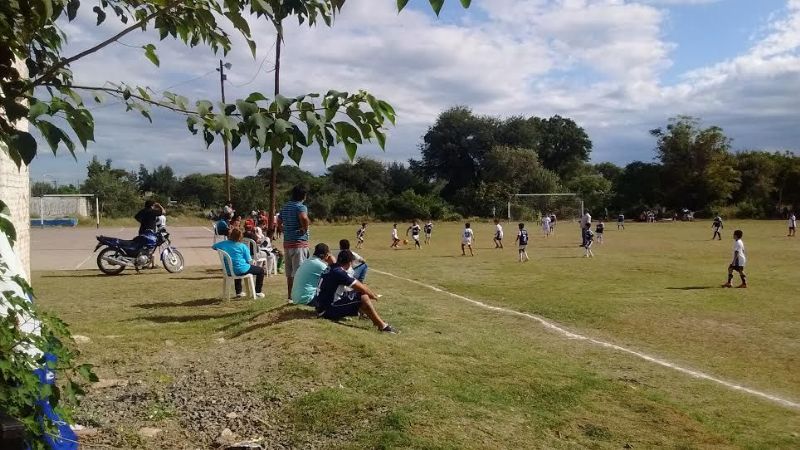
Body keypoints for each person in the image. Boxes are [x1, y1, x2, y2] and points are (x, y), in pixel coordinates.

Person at [313, 250, 397, 333]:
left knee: (355, 293)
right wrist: (373, 295)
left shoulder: (333, 267)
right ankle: (382, 326)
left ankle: (366, 315)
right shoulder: (339, 272)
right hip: (327, 310)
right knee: (363, 297)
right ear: (350, 262)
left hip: (321, 306)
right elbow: (360, 287)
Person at [277, 185, 311, 301]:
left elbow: (279, 220)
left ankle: (290, 296)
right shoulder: (300, 207)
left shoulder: (286, 206)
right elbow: (304, 218)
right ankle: (298, 296)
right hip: (299, 243)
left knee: (289, 272)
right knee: (299, 272)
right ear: (303, 195)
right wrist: (304, 229)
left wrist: (283, 229)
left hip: (287, 243)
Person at [212, 228, 266, 298]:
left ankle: (238, 292)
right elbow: (249, 260)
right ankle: (258, 292)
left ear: (230, 235)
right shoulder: (242, 246)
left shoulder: (223, 244)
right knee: (260, 270)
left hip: (229, 270)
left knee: (237, 266)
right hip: (241, 269)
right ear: (240, 237)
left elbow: (214, 247)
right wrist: (253, 262)